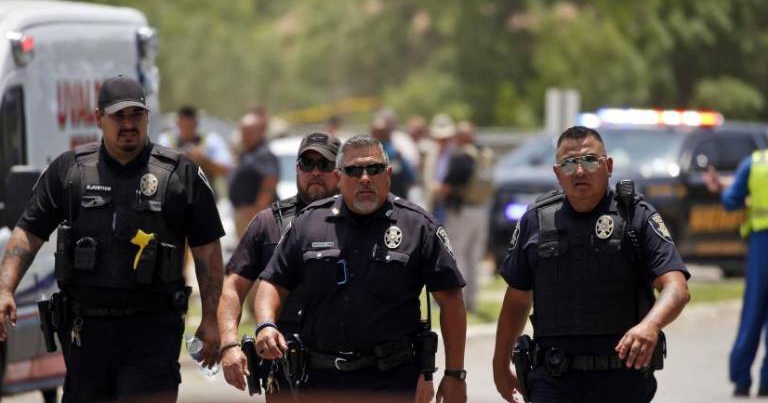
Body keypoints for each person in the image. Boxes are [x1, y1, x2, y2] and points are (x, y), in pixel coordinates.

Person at [0, 76, 224, 403]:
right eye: (119, 116)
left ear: (148, 117)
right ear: (98, 118)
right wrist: (5, 289)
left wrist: (211, 318)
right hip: (86, 335)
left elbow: (208, 251)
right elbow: (28, 232)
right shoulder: (70, 171)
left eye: (136, 115)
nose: (129, 124)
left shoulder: (180, 174)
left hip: (152, 331)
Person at [253, 135, 468, 402]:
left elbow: (451, 299)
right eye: (354, 170)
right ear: (339, 177)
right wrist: (265, 324)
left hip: (392, 381)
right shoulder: (308, 224)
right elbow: (272, 282)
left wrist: (454, 374)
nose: (365, 178)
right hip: (320, 381)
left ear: (388, 174)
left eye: (374, 169)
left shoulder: (419, 226)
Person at [492, 126, 690, 403]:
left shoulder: (635, 216)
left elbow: (676, 288)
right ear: (557, 173)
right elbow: (517, 299)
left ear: (608, 166)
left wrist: (650, 326)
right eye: (568, 163)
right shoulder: (535, 220)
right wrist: (500, 364)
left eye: (589, 160)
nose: (579, 171)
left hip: (621, 379)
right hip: (553, 379)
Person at [218, 131, 341, 396]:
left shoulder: (358, 221)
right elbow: (233, 286)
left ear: (339, 170)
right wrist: (229, 344)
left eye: (325, 164)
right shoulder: (269, 223)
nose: (315, 172)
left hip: (345, 367)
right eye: (307, 164)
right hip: (285, 364)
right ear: (297, 168)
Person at [703, 151, 768, 397]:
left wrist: (725, 189)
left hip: (762, 245)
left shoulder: (756, 163)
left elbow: (731, 200)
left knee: (753, 312)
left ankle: (741, 380)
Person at [439, 121, 493, 312]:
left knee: (458, 254)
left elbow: (448, 184)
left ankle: (459, 299)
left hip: (462, 210)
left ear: (461, 137)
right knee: (474, 257)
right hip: (481, 210)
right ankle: (472, 301)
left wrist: (436, 197)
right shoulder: (484, 153)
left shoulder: (463, 156)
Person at [157, 105, 233, 196]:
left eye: (190, 126)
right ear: (178, 123)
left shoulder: (211, 141)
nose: (187, 130)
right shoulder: (165, 140)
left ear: (196, 124)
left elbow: (226, 170)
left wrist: (203, 160)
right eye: (184, 126)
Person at [229, 110, 279, 238]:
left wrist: (257, 210)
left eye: (249, 133)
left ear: (261, 133)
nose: (244, 136)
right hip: (244, 215)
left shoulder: (263, 154)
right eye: (243, 132)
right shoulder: (247, 153)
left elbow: (270, 180)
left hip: (254, 218)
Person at [370, 115, 417, 199]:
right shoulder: (366, 152)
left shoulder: (394, 152)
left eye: (382, 132)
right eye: (377, 132)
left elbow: (409, 176)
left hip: (395, 196)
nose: (380, 135)